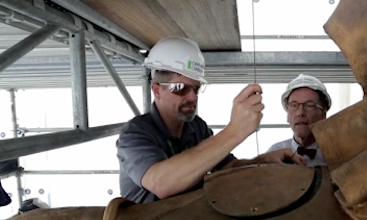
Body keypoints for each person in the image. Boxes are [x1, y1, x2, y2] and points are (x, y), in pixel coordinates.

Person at [116, 37, 305, 203]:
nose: (192, 97)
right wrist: (234, 131)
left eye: (196, 89)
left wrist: (264, 161)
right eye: (181, 87)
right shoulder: (135, 134)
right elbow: (162, 183)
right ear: (157, 90)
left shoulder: (196, 127)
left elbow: (226, 168)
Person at [267, 74, 331, 167]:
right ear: (287, 116)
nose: (300, 113)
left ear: (323, 115)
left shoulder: (338, 154)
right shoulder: (274, 153)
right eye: (294, 105)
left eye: (309, 105)